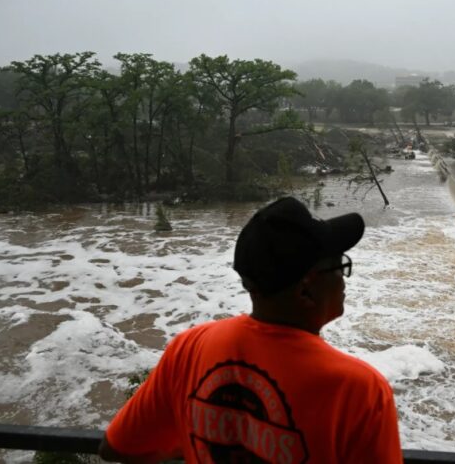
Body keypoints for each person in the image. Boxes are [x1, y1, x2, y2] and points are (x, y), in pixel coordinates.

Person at [99, 196, 402, 463]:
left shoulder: (190, 347)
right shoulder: (358, 390)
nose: (344, 280)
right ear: (305, 291)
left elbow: (118, 447)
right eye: (339, 266)